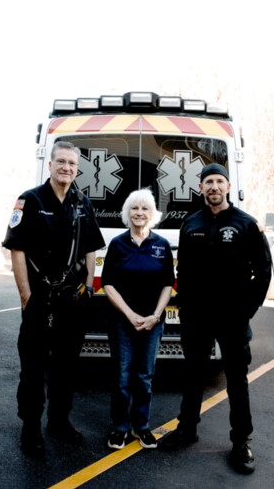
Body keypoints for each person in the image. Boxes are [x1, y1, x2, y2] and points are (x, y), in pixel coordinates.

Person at [160, 163, 272, 474]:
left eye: (219, 181)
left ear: (228, 186)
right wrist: (185, 307)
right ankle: (186, 429)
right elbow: (183, 269)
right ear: (200, 188)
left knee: (237, 381)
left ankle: (240, 441)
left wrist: (247, 310)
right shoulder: (190, 223)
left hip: (233, 318)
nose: (214, 187)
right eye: (208, 181)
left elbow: (263, 272)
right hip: (197, 317)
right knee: (193, 375)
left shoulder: (245, 224)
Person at [3, 141, 105, 457]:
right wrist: (25, 295)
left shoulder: (83, 203)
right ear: (50, 165)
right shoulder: (30, 200)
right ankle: (30, 427)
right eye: (61, 162)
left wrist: (88, 287)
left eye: (72, 164)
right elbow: (16, 249)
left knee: (65, 368)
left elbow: (91, 248)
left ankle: (59, 423)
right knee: (33, 369)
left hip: (72, 303)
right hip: (39, 301)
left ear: (77, 168)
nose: (66, 168)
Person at [102, 188, 175, 450]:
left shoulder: (161, 245)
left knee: (144, 376)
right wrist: (130, 314)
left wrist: (155, 316)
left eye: (145, 208)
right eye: (134, 208)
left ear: (153, 214)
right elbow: (108, 284)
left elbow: (168, 283)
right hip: (122, 321)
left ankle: (141, 426)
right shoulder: (118, 244)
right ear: (127, 213)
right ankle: (120, 427)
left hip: (152, 322)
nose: (139, 213)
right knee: (122, 377)